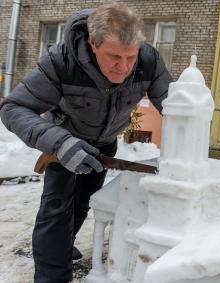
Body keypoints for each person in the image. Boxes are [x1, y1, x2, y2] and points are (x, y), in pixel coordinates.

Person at [0, 3, 172, 283]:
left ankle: (63, 249)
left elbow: (174, 105)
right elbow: (13, 109)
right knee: (56, 211)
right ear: (93, 43)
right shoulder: (60, 62)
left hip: (103, 146)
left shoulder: (148, 61)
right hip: (62, 145)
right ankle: (51, 276)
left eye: (131, 57)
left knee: (82, 204)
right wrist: (60, 143)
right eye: (114, 56)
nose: (125, 67)